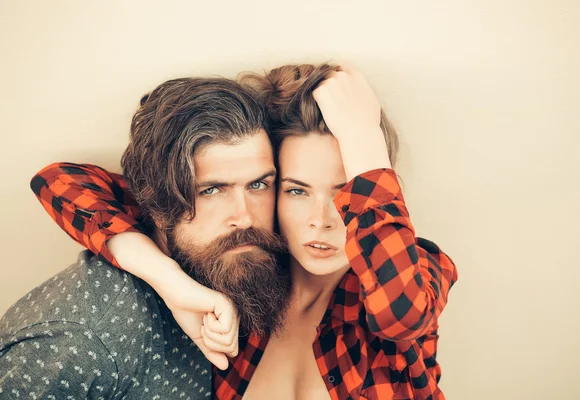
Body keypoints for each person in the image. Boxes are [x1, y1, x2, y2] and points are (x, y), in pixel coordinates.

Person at [28, 64, 458, 399]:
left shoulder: (417, 268)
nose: (323, 219)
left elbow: (400, 314)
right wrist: (169, 281)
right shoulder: (246, 272)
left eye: (346, 194)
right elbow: (60, 181)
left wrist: (363, 136)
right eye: (295, 190)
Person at [1, 77, 290, 398]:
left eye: (259, 185)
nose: (245, 217)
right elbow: (58, 180)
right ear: (155, 204)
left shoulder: (256, 266)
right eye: (210, 190)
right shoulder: (85, 339)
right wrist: (170, 281)